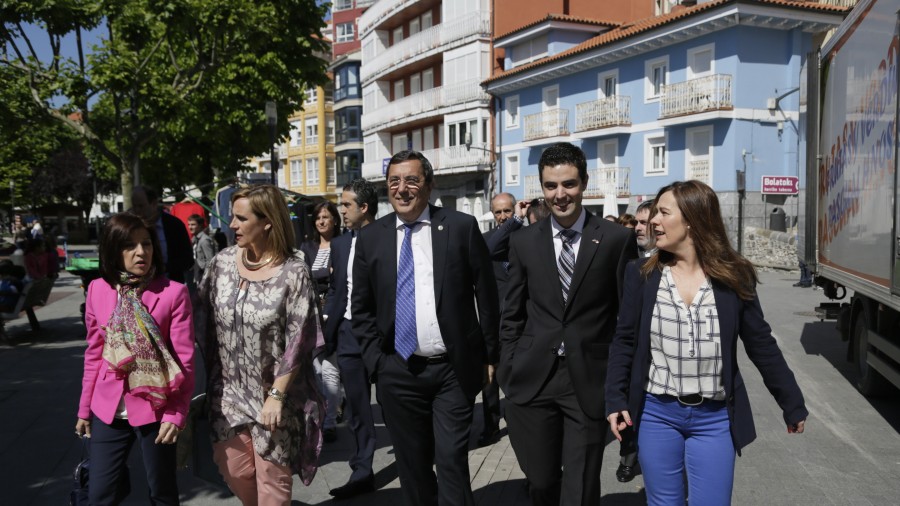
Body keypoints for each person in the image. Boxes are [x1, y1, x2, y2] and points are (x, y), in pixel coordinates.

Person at [605, 180, 808, 506]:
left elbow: (761, 343)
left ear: (692, 220)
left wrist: (791, 401)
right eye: (654, 213)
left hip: (714, 420)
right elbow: (625, 341)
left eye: (663, 213)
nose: (654, 220)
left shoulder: (734, 276)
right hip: (657, 414)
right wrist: (615, 398)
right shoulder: (642, 274)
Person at [352, 150, 499, 506]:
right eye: (394, 182)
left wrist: (489, 356)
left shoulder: (461, 227)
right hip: (398, 371)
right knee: (413, 468)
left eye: (411, 180)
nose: (402, 189)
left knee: (450, 460)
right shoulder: (372, 238)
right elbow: (361, 309)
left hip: (452, 369)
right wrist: (378, 364)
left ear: (428, 186)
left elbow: (488, 295)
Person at [498, 142, 637, 506]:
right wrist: (508, 368)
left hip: (589, 380)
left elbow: (626, 319)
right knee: (541, 480)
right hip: (532, 377)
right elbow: (512, 313)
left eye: (569, 184)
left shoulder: (616, 240)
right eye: (551, 186)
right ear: (542, 187)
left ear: (584, 182)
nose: (560, 195)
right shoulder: (523, 241)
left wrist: (620, 383)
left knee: (580, 486)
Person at [195, 184, 324, 505]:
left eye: (241, 218)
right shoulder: (221, 264)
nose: (232, 225)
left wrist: (277, 395)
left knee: (273, 487)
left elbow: (300, 337)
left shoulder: (293, 271)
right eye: (231, 218)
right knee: (235, 471)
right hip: (226, 396)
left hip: (274, 399)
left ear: (267, 221)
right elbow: (198, 319)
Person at [75, 212, 195, 505]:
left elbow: (185, 361)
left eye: (147, 244)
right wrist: (84, 409)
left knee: (162, 492)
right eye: (130, 245)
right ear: (113, 250)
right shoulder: (97, 290)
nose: (141, 252)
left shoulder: (173, 293)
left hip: (157, 407)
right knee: (100, 493)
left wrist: (177, 413)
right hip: (108, 409)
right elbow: (94, 353)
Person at [322, 178, 379, 499]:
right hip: (346, 336)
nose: (340, 211)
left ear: (364, 207)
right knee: (357, 409)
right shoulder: (341, 245)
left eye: (345, 205)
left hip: (383, 337)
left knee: (394, 404)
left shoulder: (388, 237)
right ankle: (362, 470)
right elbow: (336, 289)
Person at [615, 199, 656, 483]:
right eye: (637, 223)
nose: (637, 228)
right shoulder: (632, 261)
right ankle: (628, 455)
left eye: (644, 223)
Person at [300, 201, 343, 443]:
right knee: (317, 370)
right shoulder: (307, 247)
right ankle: (325, 413)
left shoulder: (342, 244)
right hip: (313, 313)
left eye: (326, 217)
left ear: (335, 220)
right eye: (318, 217)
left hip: (334, 313)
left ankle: (329, 423)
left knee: (330, 371)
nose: (322, 221)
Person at [131, 186, 194, 283]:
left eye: (141, 206)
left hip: (170, 284)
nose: (137, 211)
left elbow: (187, 260)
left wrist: (164, 268)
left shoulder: (174, 225)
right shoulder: (129, 226)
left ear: (153, 204)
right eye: (134, 206)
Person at [188, 214, 218, 286]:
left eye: (193, 225)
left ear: (200, 225)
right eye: (189, 224)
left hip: (203, 274)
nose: (190, 227)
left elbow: (210, 260)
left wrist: (206, 278)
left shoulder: (204, 240)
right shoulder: (194, 239)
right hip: (196, 272)